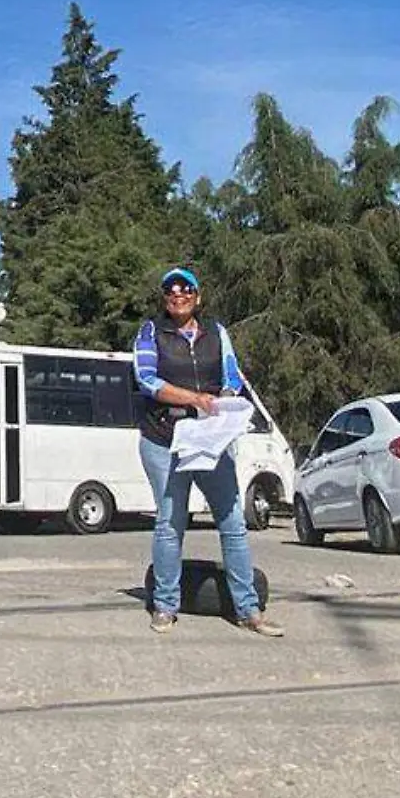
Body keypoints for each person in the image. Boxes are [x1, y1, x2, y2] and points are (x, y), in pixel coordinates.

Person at [134, 266, 282, 636]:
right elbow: (147, 379)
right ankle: (165, 605)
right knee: (170, 523)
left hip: (211, 439)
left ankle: (248, 608)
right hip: (164, 438)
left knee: (233, 522)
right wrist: (195, 399)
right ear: (164, 299)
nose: (178, 297)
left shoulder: (217, 333)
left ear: (198, 297)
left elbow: (232, 376)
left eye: (186, 292)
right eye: (171, 293)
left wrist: (226, 400)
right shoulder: (151, 332)